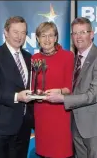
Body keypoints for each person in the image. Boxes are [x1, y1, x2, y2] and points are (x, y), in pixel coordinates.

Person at [44, 17, 97, 158]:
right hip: (76, 123)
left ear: (92, 34)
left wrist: (63, 98)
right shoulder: (75, 58)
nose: (78, 37)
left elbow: (95, 94)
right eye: (75, 33)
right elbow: (73, 87)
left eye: (83, 32)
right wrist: (61, 91)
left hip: (95, 125)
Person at [0, 16, 33, 158]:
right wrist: (17, 97)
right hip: (1, 127)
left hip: (24, 126)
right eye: (15, 32)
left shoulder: (29, 57)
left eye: (23, 32)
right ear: (6, 32)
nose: (19, 36)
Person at [31, 22, 74, 158]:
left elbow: (70, 87)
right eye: (43, 35)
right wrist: (35, 92)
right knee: (44, 153)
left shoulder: (68, 56)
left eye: (51, 35)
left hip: (60, 113)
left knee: (61, 152)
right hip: (41, 113)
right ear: (37, 38)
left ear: (56, 38)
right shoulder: (34, 58)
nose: (47, 40)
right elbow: (32, 86)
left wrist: (59, 92)